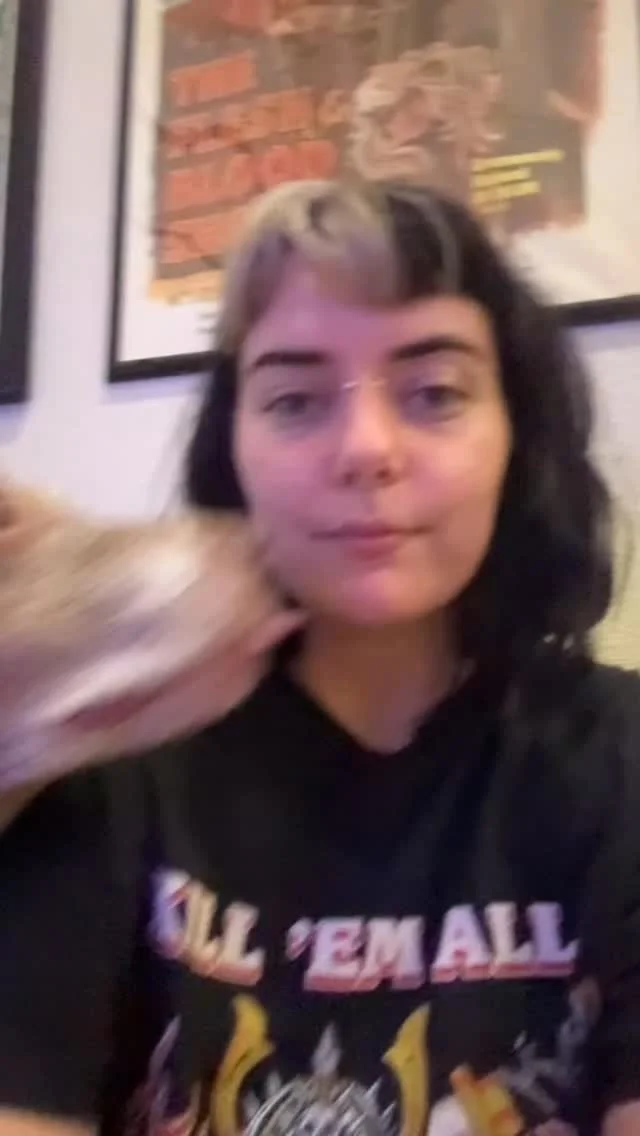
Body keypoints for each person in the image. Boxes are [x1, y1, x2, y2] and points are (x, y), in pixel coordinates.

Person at [0, 178, 639, 1136]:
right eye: (295, 400)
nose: (365, 449)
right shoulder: (111, 761)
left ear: (517, 436)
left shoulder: (620, 762)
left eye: (435, 392)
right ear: (236, 447)